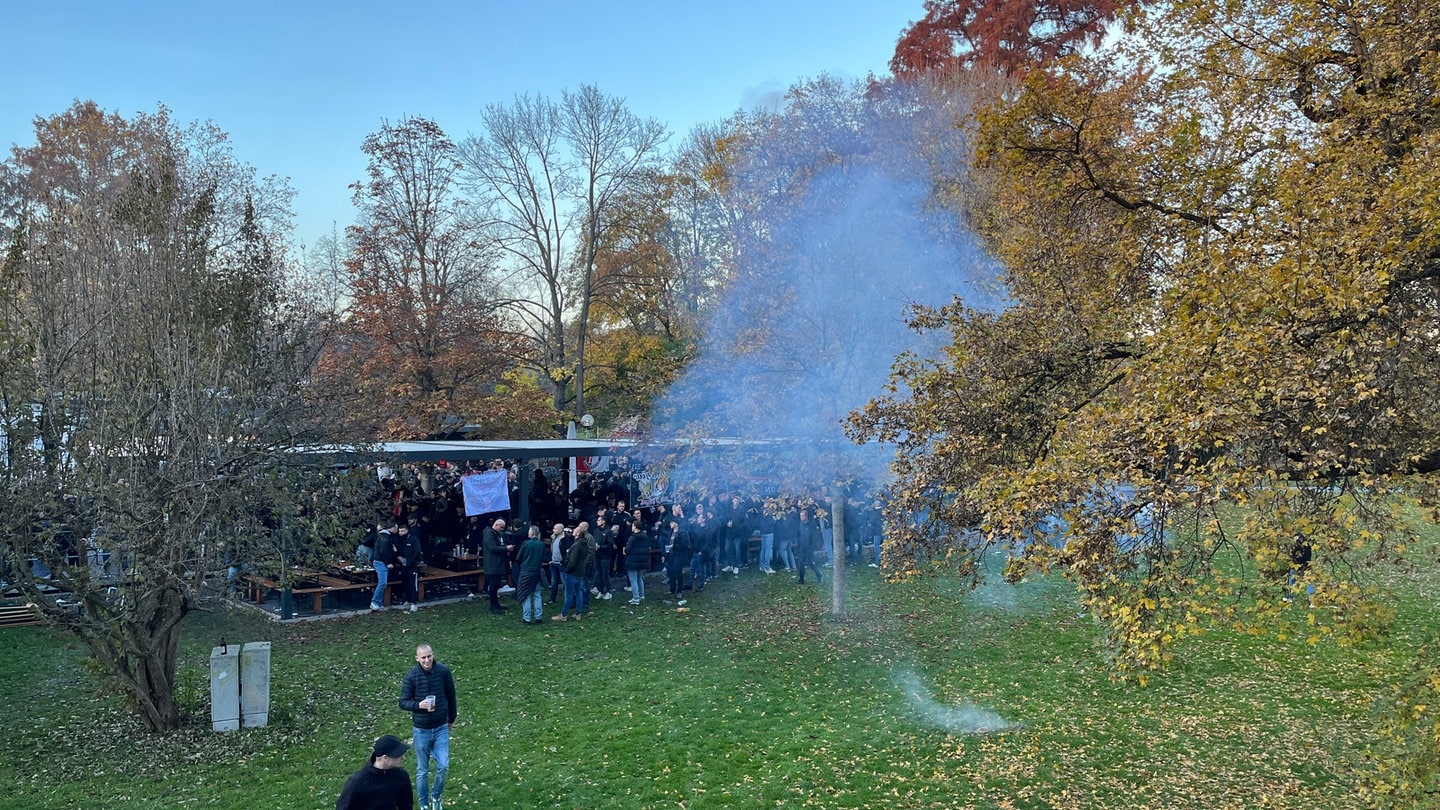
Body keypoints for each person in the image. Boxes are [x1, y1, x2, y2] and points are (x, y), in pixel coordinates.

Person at [399, 643, 457, 810]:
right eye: (423, 657)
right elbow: (403, 702)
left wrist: (451, 719)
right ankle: (424, 804)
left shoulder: (443, 671)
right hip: (421, 729)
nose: (427, 660)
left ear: (433, 655)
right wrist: (419, 705)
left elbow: (451, 696)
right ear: (417, 658)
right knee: (422, 770)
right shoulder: (411, 676)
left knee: (444, 765)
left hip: (440, 727)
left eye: (429, 656)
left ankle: (436, 797)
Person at [336, 734, 413, 810]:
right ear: (385, 758)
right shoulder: (357, 782)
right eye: (398, 755)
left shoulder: (401, 776)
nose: (403, 757)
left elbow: (406, 805)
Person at [554, 521, 594, 622]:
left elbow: (572, 560)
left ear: (578, 534)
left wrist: (566, 570)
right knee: (579, 592)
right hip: (580, 571)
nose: (573, 530)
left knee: (569, 594)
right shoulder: (584, 543)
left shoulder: (576, 545)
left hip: (572, 572)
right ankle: (578, 613)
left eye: (575, 530)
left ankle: (564, 614)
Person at [516, 524, 546, 624]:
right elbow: (545, 558)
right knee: (537, 594)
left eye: (529, 530)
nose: (528, 532)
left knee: (526, 595)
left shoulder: (525, 543)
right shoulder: (541, 544)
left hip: (526, 572)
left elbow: (518, 558)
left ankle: (527, 618)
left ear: (532, 532)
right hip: (536, 571)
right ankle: (538, 617)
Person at [482, 518, 510, 614]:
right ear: (496, 525)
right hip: (492, 564)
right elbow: (492, 548)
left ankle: (496, 604)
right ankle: (493, 606)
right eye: (501, 527)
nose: (502, 529)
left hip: (496, 564)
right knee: (493, 586)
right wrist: (505, 548)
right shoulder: (489, 534)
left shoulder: (496, 534)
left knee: (496, 584)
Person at [395, 522, 423, 612]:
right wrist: (399, 558)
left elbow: (417, 551)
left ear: (407, 531)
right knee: (405, 583)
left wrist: (410, 561)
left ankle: (414, 603)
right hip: (403, 566)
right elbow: (398, 552)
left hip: (412, 566)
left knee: (413, 585)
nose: (401, 533)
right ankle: (408, 599)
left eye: (402, 531)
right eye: (399, 531)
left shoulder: (414, 539)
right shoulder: (400, 540)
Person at [369, 524, 396, 612]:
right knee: (382, 583)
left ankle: (379, 603)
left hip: (379, 561)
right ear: (393, 527)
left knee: (383, 583)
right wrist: (388, 563)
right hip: (381, 562)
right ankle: (375, 602)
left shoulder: (382, 536)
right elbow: (383, 551)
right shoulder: (386, 537)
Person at [624, 524, 652, 605]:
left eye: (632, 526)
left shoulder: (632, 538)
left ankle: (636, 598)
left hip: (632, 561)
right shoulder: (645, 537)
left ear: (636, 527)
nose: (631, 527)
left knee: (633, 580)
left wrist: (625, 550)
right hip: (642, 560)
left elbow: (628, 549)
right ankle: (641, 595)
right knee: (640, 578)